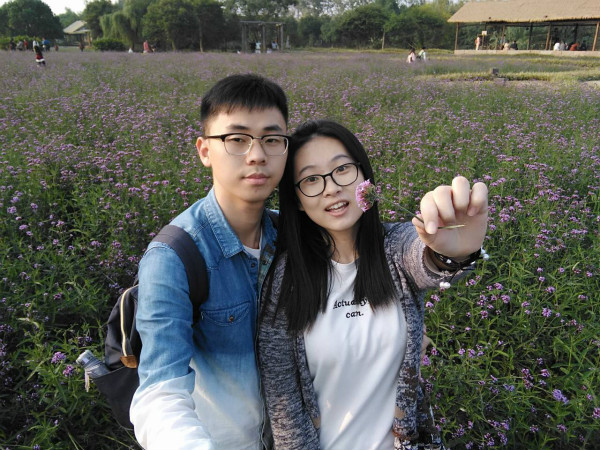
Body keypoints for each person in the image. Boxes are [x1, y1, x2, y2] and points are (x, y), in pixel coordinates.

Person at [258, 120, 489, 450]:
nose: (331, 188)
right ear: (296, 200)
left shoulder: (394, 249)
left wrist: (455, 252)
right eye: (311, 179)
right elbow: (283, 405)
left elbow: (423, 256)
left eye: (342, 170)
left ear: (364, 178)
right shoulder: (286, 280)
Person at [130, 74, 290, 450]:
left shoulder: (293, 236)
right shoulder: (174, 257)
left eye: (272, 139)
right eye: (236, 139)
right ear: (204, 151)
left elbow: (378, 246)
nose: (257, 155)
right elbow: (160, 393)